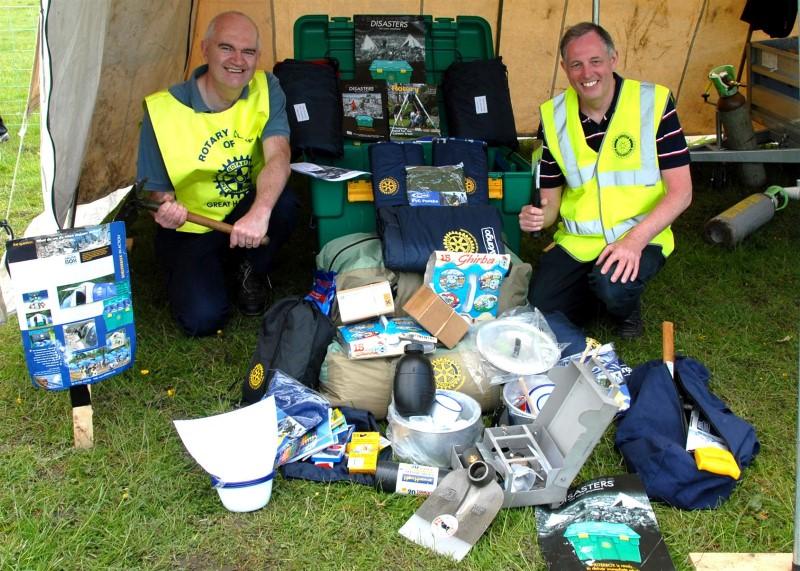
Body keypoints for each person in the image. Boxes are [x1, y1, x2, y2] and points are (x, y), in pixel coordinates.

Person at [519, 22, 692, 338]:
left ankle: (624, 307)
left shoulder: (653, 103)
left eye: (595, 61)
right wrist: (537, 218)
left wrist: (634, 242)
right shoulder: (552, 116)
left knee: (612, 287)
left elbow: (681, 193)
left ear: (613, 58)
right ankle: (599, 290)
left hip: (641, 235)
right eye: (576, 64)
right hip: (579, 241)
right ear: (564, 69)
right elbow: (551, 206)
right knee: (540, 310)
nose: (587, 73)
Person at [137, 11, 298, 336]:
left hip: (244, 214)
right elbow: (155, 193)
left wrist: (260, 211)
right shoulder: (162, 111)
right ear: (205, 49)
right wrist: (165, 209)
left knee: (284, 204)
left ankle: (249, 269)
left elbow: (278, 155)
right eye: (227, 48)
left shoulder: (267, 88)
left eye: (248, 52)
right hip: (193, 225)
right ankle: (206, 269)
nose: (238, 60)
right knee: (203, 320)